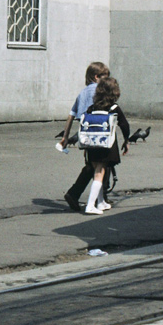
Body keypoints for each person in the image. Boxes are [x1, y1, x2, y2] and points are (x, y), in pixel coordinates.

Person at [60, 61, 109, 212]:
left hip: (85, 134)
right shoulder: (99, 91)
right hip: (98, 133)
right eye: (105, 76)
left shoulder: (82, 93)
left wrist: (65, 136)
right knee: (101, 163)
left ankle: (81, 195)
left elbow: (71, 115)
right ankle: (80, 195)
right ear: (96, 77)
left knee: (91, 164)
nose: (107, 79)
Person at [81, 76, 131, 215]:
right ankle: (90, 205)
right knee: (100, 172)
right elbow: (125, 125)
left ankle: (101, 202)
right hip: (106, 145)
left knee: (97, 172)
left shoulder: (91, 108)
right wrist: (126, 140)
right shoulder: (114, 108)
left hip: (92, 145)